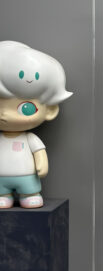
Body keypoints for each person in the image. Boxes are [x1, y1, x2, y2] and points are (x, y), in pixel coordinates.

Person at [0, 41, 73, 208]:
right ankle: (3, 196)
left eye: (25, 108)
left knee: (30, 191)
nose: (4, 115)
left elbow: (39, 153)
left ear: (50, 110)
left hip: (27, 177)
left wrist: (41, 164)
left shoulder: (30, 139)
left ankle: (30, 194)